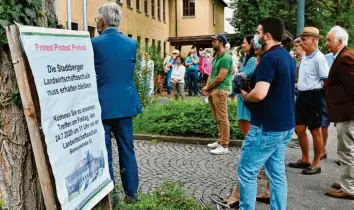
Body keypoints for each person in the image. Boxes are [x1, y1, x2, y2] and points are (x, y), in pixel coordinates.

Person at [238, 17, 295, 210]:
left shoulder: (269, 58)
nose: (256, 36)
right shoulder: (287, 56)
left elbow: (260, 93)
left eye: (258, 32)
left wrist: (245, 95)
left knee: (247, 170)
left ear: (267, 35)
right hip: (285, 125)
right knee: (276, 173)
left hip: (267, 126)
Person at [92, 2, 141, 200]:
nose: (97, 22)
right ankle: (132, 195)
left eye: (97, 19)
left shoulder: (94, 44)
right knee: (127, 151)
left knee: (105, 153)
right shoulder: (131, 44)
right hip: (126, 104)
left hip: (102, 105)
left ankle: (109, 196)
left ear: (102, 21)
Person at [226, 35, 270, 208]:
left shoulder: (261, 60)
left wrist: (240, 84)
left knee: (250, 154)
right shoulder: (254, 59)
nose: (245, 44)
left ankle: (239, 196)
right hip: (250, 105)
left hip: (256, 110)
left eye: (247, 41)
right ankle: (268, 190)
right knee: (266, 158)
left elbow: (251, 84)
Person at [288, 27, 330, 175]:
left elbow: (326, 81)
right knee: (299, 129)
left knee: (315, 131)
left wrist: (325, 100)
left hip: (314, 96)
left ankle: (316, 163)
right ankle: (305, 159)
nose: (301, 42)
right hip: (302, 95)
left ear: (314, 40)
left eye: (304, 39)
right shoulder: (306, 56)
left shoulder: (319, 58)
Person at [325, 26, 354, 200]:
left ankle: (349, 188)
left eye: (329, 40)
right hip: (346, 111)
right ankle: (347, 181)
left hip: (347, 113)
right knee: (347, 149)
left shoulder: (346, 57)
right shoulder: (344, 56)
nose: (327, 43)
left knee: (346, 150)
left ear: (340, 41)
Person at [203, 34, 233, 155]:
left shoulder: (226, 57)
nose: (212, 43)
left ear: (221, 42)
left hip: (221, 90)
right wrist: (206, 87)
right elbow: (211, 73)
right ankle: (220, 140)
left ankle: (224, 144)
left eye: (214, 41)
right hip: (213, 90)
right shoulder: (216, 56)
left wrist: (208, 87)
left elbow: (221, 77)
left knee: (222, 117)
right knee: (217, 117)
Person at [234, 35, 256, 136]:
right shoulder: (245, 59)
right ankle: (248, 144)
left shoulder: (252, 59)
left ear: (251, 44)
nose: (242, 45)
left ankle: (250, 145)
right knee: (240, 122)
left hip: (246, 94)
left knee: (246, 121)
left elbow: (244, 75)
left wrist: (236, 75)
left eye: (244, 42)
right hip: (241, 95)